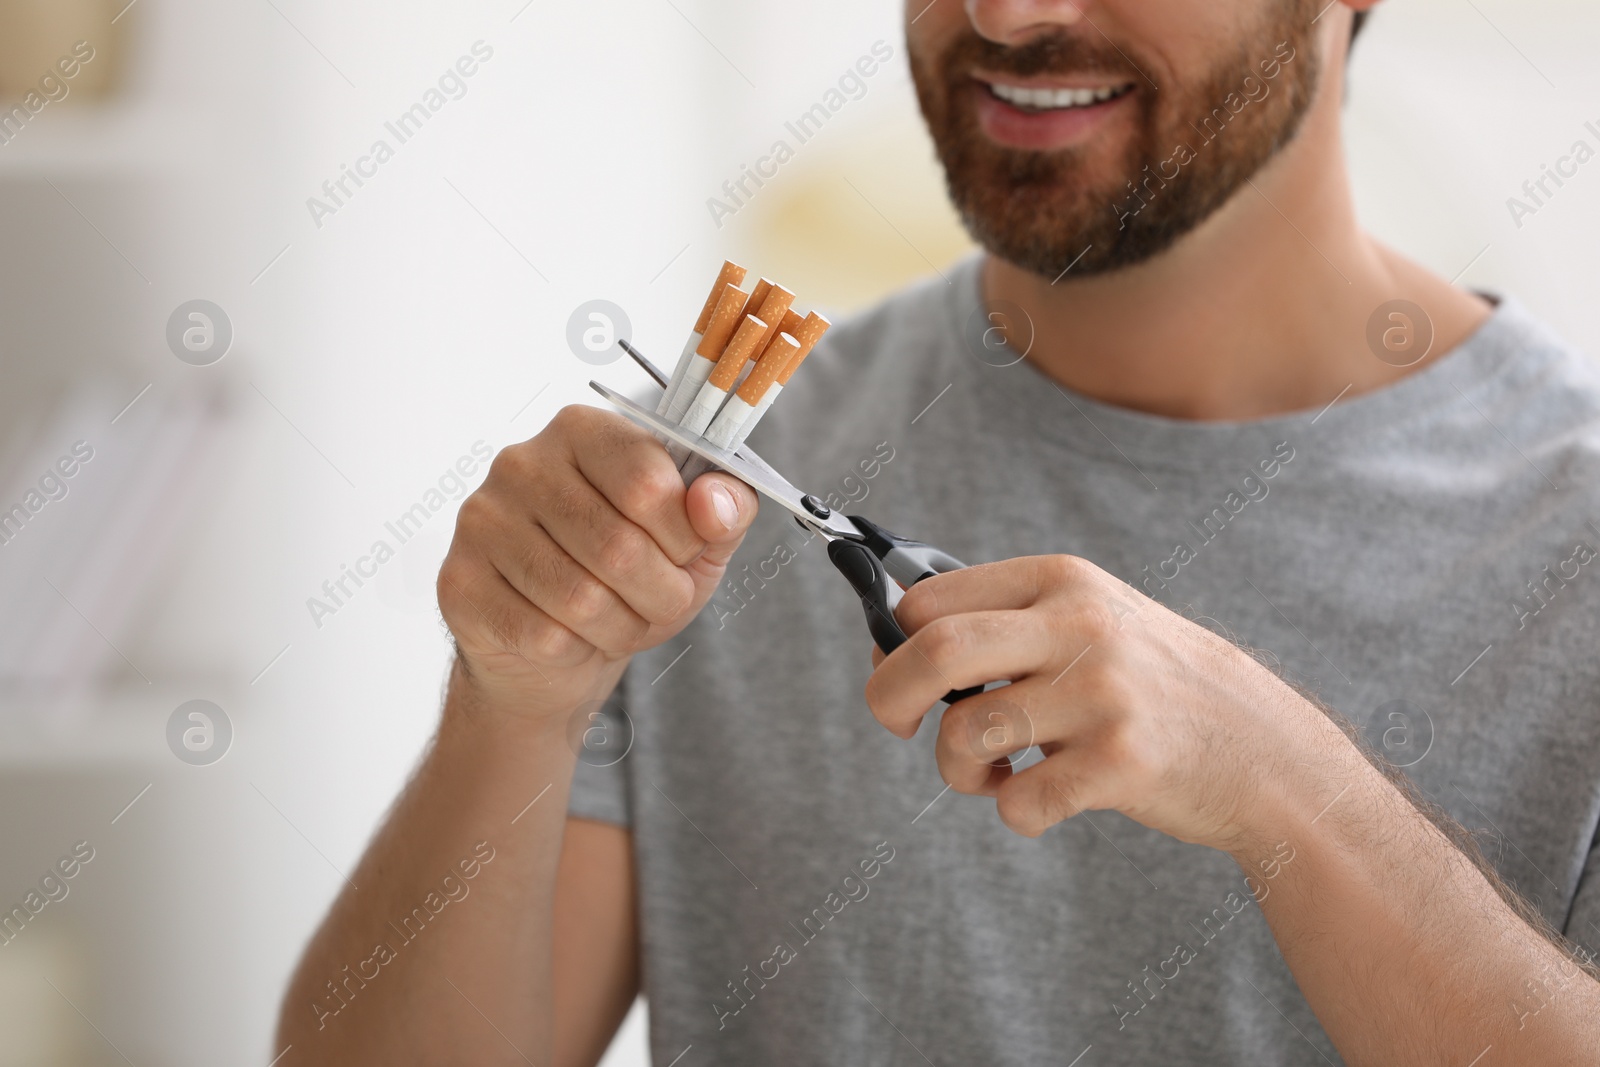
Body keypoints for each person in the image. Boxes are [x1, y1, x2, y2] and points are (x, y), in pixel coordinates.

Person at [278, 1, 1600, 1063]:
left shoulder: (1571, 536)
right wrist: (510, 704)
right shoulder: (712, 496)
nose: (1007, 15)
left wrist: (1291, 792)